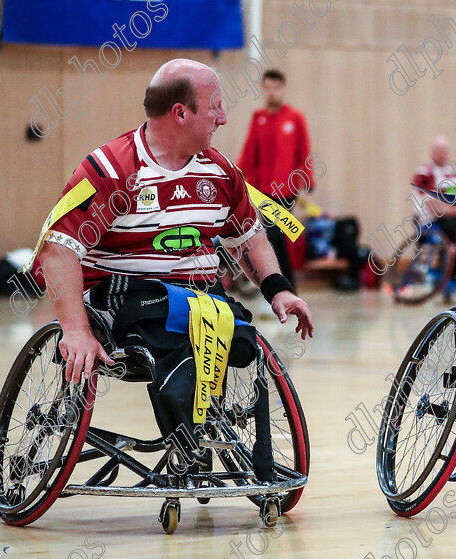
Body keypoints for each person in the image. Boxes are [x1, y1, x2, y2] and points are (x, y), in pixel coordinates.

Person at [32, 59, 314, 478]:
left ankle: (228, 449)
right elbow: (57, 250)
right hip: (123, 298)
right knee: (171, 325)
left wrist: (279, 290)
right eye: (215, 106)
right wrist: (74, 330)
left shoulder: (221, 173)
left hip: (200, 299)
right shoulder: (111, 169)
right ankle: (187, 438)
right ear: (180, 113)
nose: (224, 117)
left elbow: (250, 235)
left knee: (242, 335)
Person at [238, 69, 313, 292]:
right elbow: (249, 152)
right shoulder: (258, 119)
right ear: (263, 89)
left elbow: (304, 152)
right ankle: (284, 288)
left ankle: (282, 287)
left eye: (276, 87)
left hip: (287, 191)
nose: (272, 92)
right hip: (264, 190)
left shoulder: (295, 118)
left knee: (276, 237)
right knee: (274, 238)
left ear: (283, 88)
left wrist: (307, 181)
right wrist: (237, 177)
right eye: (267, 87)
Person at [411, 136, 456, 281]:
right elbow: (432, 205)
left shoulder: (454, 172)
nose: (441, 154)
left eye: (444, 150)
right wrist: (455, 210)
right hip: (434, 220)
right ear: (431, 152)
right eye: (438, 150)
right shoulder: (424, 172)